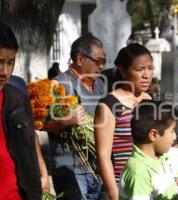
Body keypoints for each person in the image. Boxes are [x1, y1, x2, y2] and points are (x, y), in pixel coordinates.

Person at [45, 34, 106, 200]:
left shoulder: (100, 84)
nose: (101, 66)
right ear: (80, 58)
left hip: (98, 166)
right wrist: (67, 121)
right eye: (97, 61)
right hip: (71, 168)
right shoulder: (59, 84)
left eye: (103, 62)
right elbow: (43, 123)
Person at [94, 43, 153, 200]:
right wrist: (114, 193)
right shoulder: (109, 105)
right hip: (123, 187)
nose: (147, 75)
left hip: (151, 184)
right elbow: (103, 155)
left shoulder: (151, 100)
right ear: (122, 70)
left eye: (150, 68)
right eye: (140, 70)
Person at [0, 21, 42, 199]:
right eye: (0, 62)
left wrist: (41, 173)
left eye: (10, 63)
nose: (4, 71)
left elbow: (30, 143)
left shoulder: (17, 98)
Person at [119, 100, 178, 199]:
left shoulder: (163, 158)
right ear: (153, 135)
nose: (175, 136)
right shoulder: (138, 171)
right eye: (172, 131)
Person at [9, 75, 50, 193]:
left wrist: (43, 173)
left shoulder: (17, 84)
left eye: (10, 62)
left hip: (24, 174)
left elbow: (30, 134)